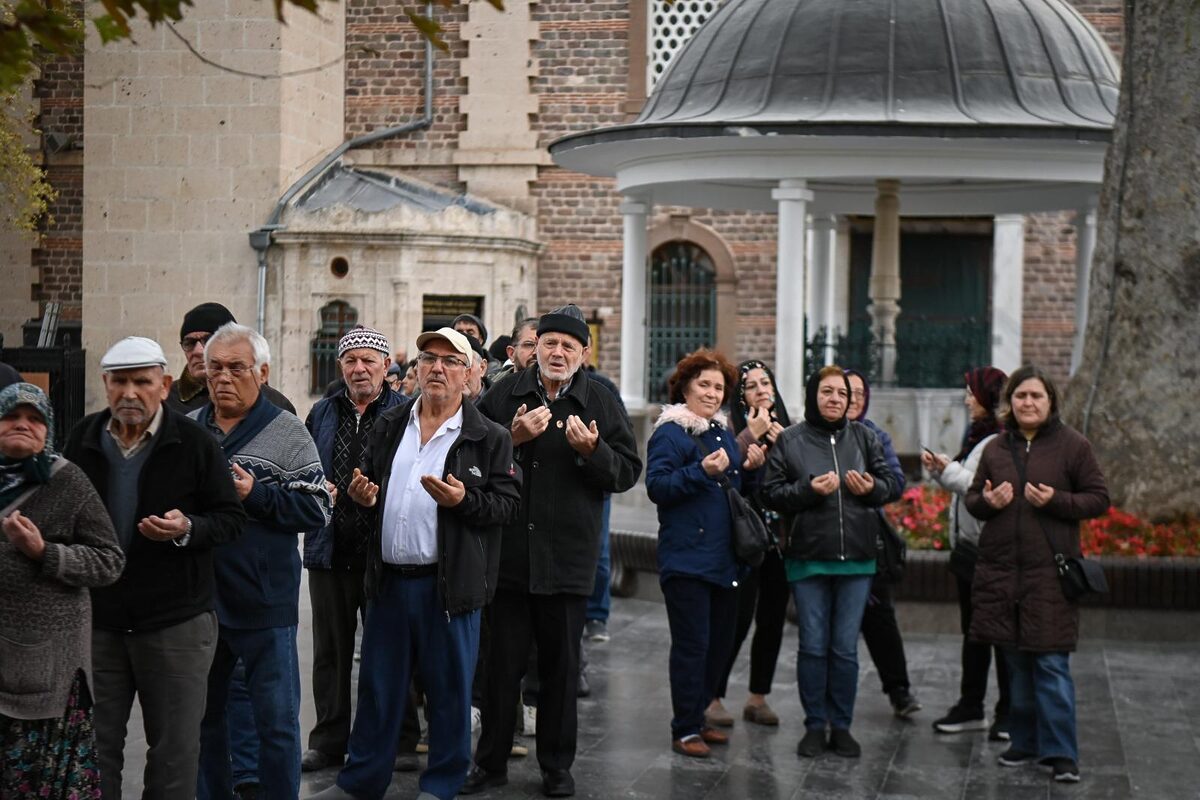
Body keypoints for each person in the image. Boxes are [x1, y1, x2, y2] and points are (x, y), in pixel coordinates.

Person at [309, 327, 521, 800]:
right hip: (388, 581)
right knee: (379, 691)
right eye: (429, 358)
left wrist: (467, 500)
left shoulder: (488, 436)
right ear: (416, 368)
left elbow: (507, 506)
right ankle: (362, 781)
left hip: (448, 587)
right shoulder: (391, 424)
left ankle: (441, 785)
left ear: (469, 374)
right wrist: (365, 499)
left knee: (448, 694)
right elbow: (374, 488)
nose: (437, 368)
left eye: (450, 361)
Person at [464, 303, 641, 798]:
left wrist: (594, 453)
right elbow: (469, 453)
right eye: (549, 343)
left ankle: (557, 767)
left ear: (584, 353)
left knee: (561, 672)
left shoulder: (600, 401)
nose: (557, 352)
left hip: (567, 560)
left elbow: (627, 471)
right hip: (511, 559)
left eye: (568, 345)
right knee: (501, 669)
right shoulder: (505, 394)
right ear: (534, 347)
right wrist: (512, 439)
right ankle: (491, 762)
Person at [64, 336, 246, 799]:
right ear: (104, 384)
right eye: (119, 382)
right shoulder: (81, 441)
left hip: (175, 625)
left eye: (141, 382)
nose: (129, 393)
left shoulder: (195, 442)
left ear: (164, 385)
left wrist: (187, 528)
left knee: (173, 757)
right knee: (93, 750)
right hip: (99, 626)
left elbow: (230, 520)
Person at [192, 323, 333, 800]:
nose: (224, 379)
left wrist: (256, 493)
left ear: (263, 372)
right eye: (215, 369)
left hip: (264, 602)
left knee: (276, 723)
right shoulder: (191, 431)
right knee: (204, 720)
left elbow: (317, 509)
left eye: (237, 368)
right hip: (201, 601)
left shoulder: (287, 432)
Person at [965, 365, 1108, 783]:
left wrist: (1058, 500)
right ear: (1009, 403)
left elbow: (1099, 498)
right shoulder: (994, 449)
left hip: (1049, 576)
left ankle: (1061, 753)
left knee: (1050, 665)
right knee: (1016, 666)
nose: (1028, 403)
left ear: (1050, 403)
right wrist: (988, 500)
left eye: (1036, 396)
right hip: (1001, 574)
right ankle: (1024, 742)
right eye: (1021, 396)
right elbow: (973, 499)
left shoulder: (1073, 446)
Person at [761, 366, 900, 759]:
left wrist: (872, 487)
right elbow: (770, 493)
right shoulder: (791, 440)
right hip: (808, 560)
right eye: (827, 392)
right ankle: (813, 725)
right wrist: (806, 491)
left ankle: (841, 726)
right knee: (813, 646)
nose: (836, 399)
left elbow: (890, 484)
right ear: (813, 395)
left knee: (844, 649)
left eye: (842, 393)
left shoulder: (866, 437)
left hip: (857, 560)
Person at [0, 383, 125, 798]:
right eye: (11, 416)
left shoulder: (66, 481)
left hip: (49, 673)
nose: (22, 424)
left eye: (34, 418)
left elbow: (109, 561)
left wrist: (44, 552)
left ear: (48, 429)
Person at [645, 349, 766, 758]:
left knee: (718, 646)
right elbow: (658, 487)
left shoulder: (720, 432)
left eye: (719, 387)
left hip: (724, 558)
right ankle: (684, 729)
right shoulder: (671, 433)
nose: (713, 393)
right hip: (687, 560)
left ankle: (698, 718)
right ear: (685, 387)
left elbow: (733, 490)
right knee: (692, 647)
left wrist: (751, 466)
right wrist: (702, 472)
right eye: (705, 385)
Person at [301, 327, 410, 773]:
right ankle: (328, 740)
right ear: (340, 366)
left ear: (386, 367)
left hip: (384, 552)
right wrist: (315, 487)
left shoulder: (406, 412)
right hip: (330, 549)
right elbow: (303, 468)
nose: (359, 369)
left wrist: (378, 495)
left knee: (391, 650)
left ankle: (399, 739)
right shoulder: (321, 412)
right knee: (330, 652)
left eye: (368, 360)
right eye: (350, 361)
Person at [924, 366, 1011, 741]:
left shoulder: (999, 440)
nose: (966, 399)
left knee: (999, 636)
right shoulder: (980, 435)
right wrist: (943, 469)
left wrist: (946, 470)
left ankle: (1008, 712)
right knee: (975, 632)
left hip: (991, 553)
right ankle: (972, 705)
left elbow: (977, 487)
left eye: (971, 393)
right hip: (971, 551)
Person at [708, 359, 790, 729]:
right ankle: (713, 696)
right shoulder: (729, 429)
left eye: (765, 383)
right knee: (736, 618)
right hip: (744, 539)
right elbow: (722, 482)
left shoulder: (787, 431)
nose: (760, 390)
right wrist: (748, 462)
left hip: (781, 541)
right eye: (751, 385)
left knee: (772, 618)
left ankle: (758, 696)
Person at [844, 369, 921, 719]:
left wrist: (871, 487)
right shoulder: (809, 433)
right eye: (847, 391)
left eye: (860, 393)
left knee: (880, 618)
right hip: (823, 541)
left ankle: (899, 689)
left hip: (867, 542)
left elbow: (895, 482)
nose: (854, 399)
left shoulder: (874, 435)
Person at [167, 301, 295, 414]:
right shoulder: (165, 400)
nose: (198, 351)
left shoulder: (275, 404)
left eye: (209, 340)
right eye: (189, 343)